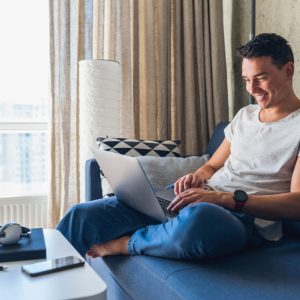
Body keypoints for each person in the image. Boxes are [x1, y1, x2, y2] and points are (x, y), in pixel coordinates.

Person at [57, 33, 300, 260]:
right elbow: (213, 165)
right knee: (81, 216)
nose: (252, 89)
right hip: (199, 197)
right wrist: (196, 176)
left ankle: (129, 243)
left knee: (199, 220)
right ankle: (50, 278)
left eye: (261, 78)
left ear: (288, 70)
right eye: (247, 80)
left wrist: (225, 199)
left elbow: (296, 203)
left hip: (239, 217)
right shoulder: (245, 115)